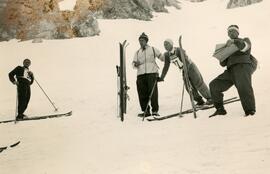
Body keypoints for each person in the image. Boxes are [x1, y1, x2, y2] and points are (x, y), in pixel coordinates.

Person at [209, 25, 256, 117]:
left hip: (242, 66)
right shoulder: (227, 46)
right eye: (229, 32)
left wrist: (234, 41)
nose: (230, 33)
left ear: (238, 32)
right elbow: (223, 64)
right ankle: (220, 109)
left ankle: (250, 111)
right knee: (214, 85)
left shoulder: (245, 40)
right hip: (230, 70)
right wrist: (221, 55)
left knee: (244, 87)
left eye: (233, 31)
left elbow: (244, 47)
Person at [159, 39, 212, 106]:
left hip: (190, 67)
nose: (165, 46)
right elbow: (166, 66)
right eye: (164, 45)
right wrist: (162, 77)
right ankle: (199, 100)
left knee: (198, 82)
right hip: (183, 70)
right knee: (188, 87)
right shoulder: (167, 55)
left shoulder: (178, 50)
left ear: (171, 44)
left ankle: (210, 98)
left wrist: (186, 69)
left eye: (167, 44)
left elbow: (186, 59)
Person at [132, 32, 164, 117]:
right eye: (140, 40)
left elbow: (162, 58)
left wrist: (168, 55)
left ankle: (155, 111)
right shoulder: (137, 52)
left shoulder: (153, 49)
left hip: (152, 73)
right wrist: (135, 64)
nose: (141, 42)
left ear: (146, 41)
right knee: (142, 93)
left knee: (153, 93)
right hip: (140, 74)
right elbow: (133, 64)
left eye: (142, 40)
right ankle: (146, 111)